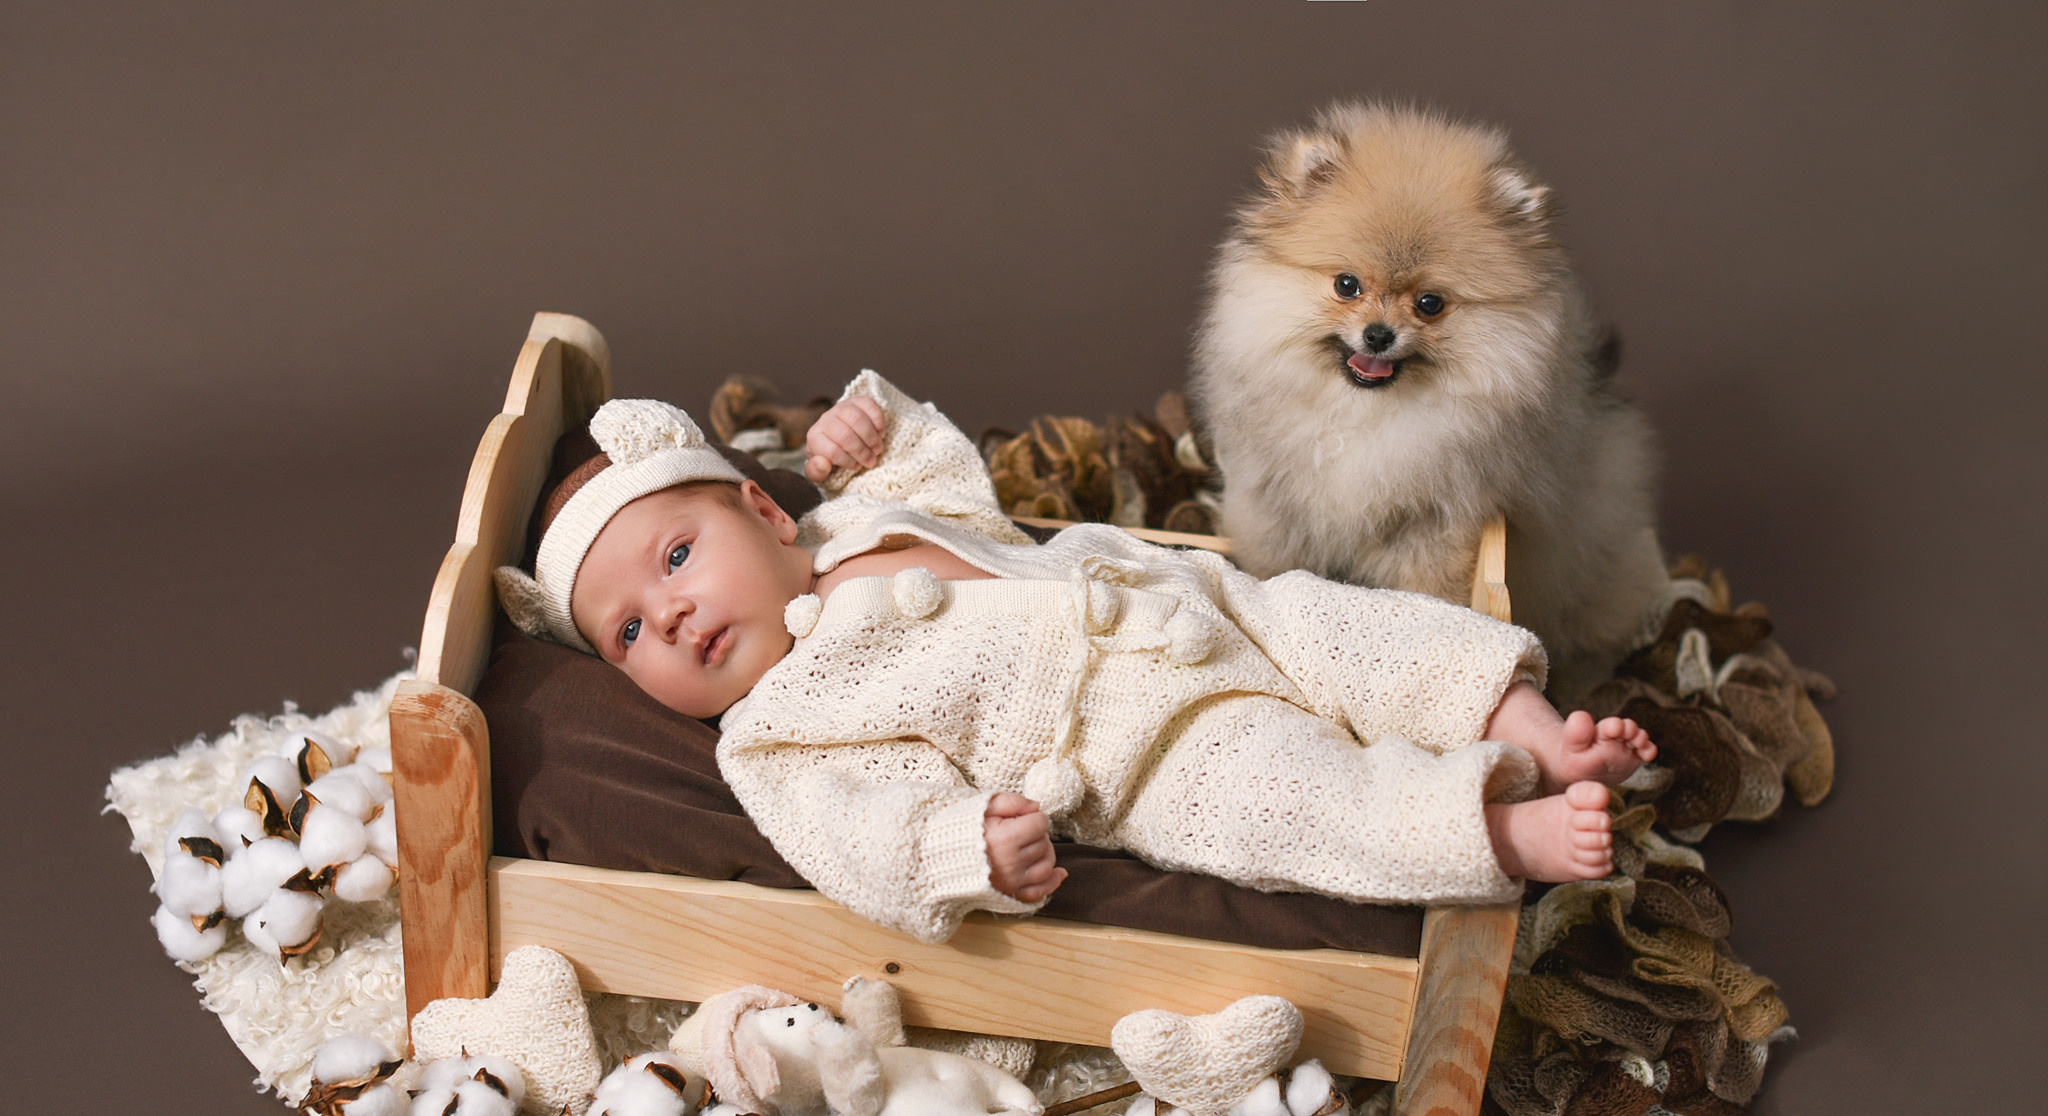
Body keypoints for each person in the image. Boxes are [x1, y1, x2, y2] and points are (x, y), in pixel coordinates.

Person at [495, 372, 1653, 943]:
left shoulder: (854, 522)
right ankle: (1497, 832)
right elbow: (853, 832)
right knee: (1299, 799)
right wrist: (961, 849)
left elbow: (940, 469)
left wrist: (871, 428)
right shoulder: (777, 730)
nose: (671, 615)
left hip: (1181, 598)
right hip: (1141, 750)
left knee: (1355, 630)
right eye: (627, 633)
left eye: (677, 557)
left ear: (764, 509)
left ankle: (1536, 731)